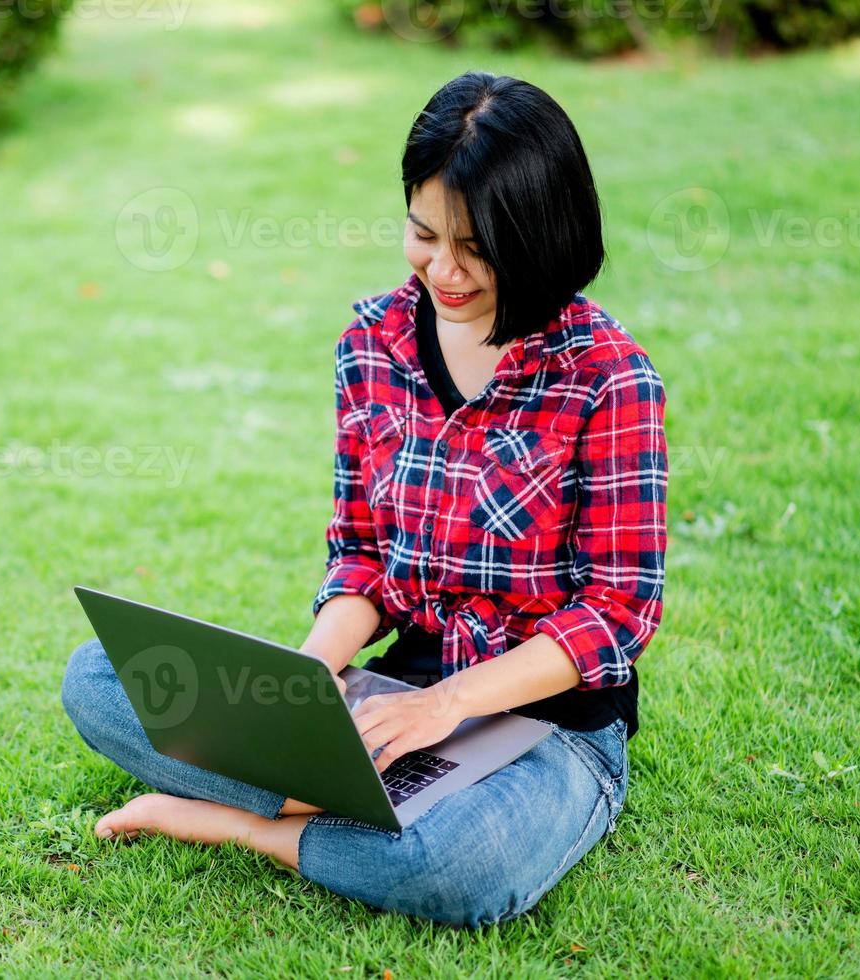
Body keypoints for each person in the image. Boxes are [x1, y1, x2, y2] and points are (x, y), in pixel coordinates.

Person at [60, 70, 668, 928]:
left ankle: (236, 824)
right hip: (390, 691)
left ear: (540, 236)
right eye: (423, 234)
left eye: (478, 247)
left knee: (462, 867)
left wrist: (448, 705)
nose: (443, 270)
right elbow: (362, 557)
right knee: (98, 681)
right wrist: (308, 683)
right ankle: (333, 794)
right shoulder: (372, 344)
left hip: (545, 723)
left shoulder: (608, 377)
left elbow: (617, 612)